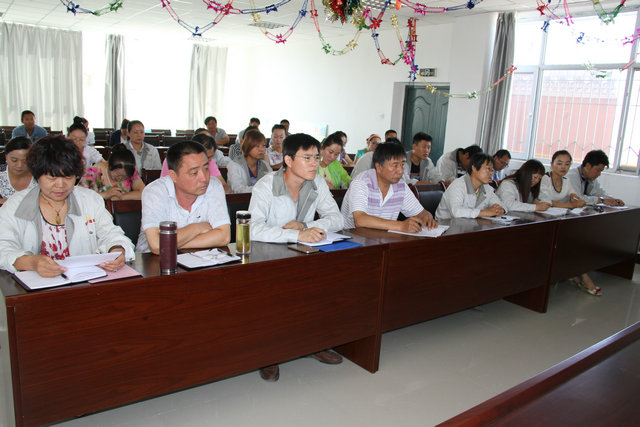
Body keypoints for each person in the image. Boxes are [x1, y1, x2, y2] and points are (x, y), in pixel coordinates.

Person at [248, 133, 345, 381]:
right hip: (268, 257)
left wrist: (304, 226)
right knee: (275, 300)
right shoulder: (266, 186)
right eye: (307, 158)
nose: (315, 163)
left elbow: (337, 219)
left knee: (324, 288)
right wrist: (295, 234)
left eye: (316, 157)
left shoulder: (317, 183)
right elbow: (253, 229)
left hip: (303, 252)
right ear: (288, 160)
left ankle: (314, 343)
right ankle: (269, 354)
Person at [0, 135, 134, 276]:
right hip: (33, 284)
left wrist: (117, 250)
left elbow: (111, 234)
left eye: (68, 177)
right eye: (52, 178)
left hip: (83, 282)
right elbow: (3, 246)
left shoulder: (90, 200)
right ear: (37, 175)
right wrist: (31, 262)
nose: (60, 185)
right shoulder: (16, 205)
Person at [136, 141, 230, 254]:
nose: (204, 178)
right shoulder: (154, 192)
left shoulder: (213, 186)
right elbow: (156, 245)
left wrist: (169, 244)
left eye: (206, 169)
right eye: (194, 173)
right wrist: (196, 228)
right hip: (152, 259)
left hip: (199, 257)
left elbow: (224, 237)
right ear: (173, 176)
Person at [341, 142, 437, 231]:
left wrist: (427, 217)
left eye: (402, 165)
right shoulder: (361, 182)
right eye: (395, 165)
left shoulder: (401, 186)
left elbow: (421, 213)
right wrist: (401, 226)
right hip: (353, 238)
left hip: (382, 239)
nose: (400, 171)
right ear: (379, 167)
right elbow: (360, 220)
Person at [435, 152, 506, 220]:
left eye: (492, 170)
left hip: (469, 225)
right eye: (488, 169)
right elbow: (456, 212)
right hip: (446, 225)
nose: (491, 173)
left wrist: (500, 210)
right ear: (474, 168)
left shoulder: (487, 188)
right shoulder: (458, 185)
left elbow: (503, 206)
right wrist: (486, 212)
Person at [160, 134, 230, 193]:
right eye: (206, 156)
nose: (208, 160)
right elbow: (165, 188)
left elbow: (224, 186)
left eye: (210, 156)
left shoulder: (210, 161)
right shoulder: (173, 159)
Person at [80, 143, 145, 200]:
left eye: (124, 176)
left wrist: (120, 197)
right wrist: (105, 195)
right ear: (109, 166)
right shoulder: (93, 171)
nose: (119, 178)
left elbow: (143, 192)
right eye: (117, 174)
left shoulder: (130, 170)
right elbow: (79, 195)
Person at [227, 129, 272, 193]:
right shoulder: (234, 165)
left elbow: (271, 184)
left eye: (263, 146)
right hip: (240, 199)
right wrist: (261, 190)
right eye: (257, 146)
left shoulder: (265, 165)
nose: (261, 149)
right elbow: (237, 189)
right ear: (247, 147)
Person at [0, 137, 37, 203]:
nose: (19, 165)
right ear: (6, 156)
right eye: (14, 160)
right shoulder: (1, 172)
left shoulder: (39, 174)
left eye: (25, 161)